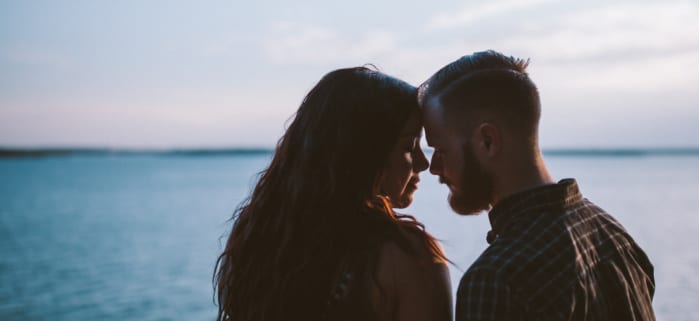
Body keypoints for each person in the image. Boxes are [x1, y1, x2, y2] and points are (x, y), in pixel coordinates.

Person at [417, 50, 656, 321]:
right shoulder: (614, 235)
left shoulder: (496, 280)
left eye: (441, 150)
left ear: (487, 141)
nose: (434, 167)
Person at [214, 66, 452, 321]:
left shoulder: (257, 241)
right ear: (365, 153)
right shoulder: (408, 258)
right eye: (409, 145)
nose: (422, 163)